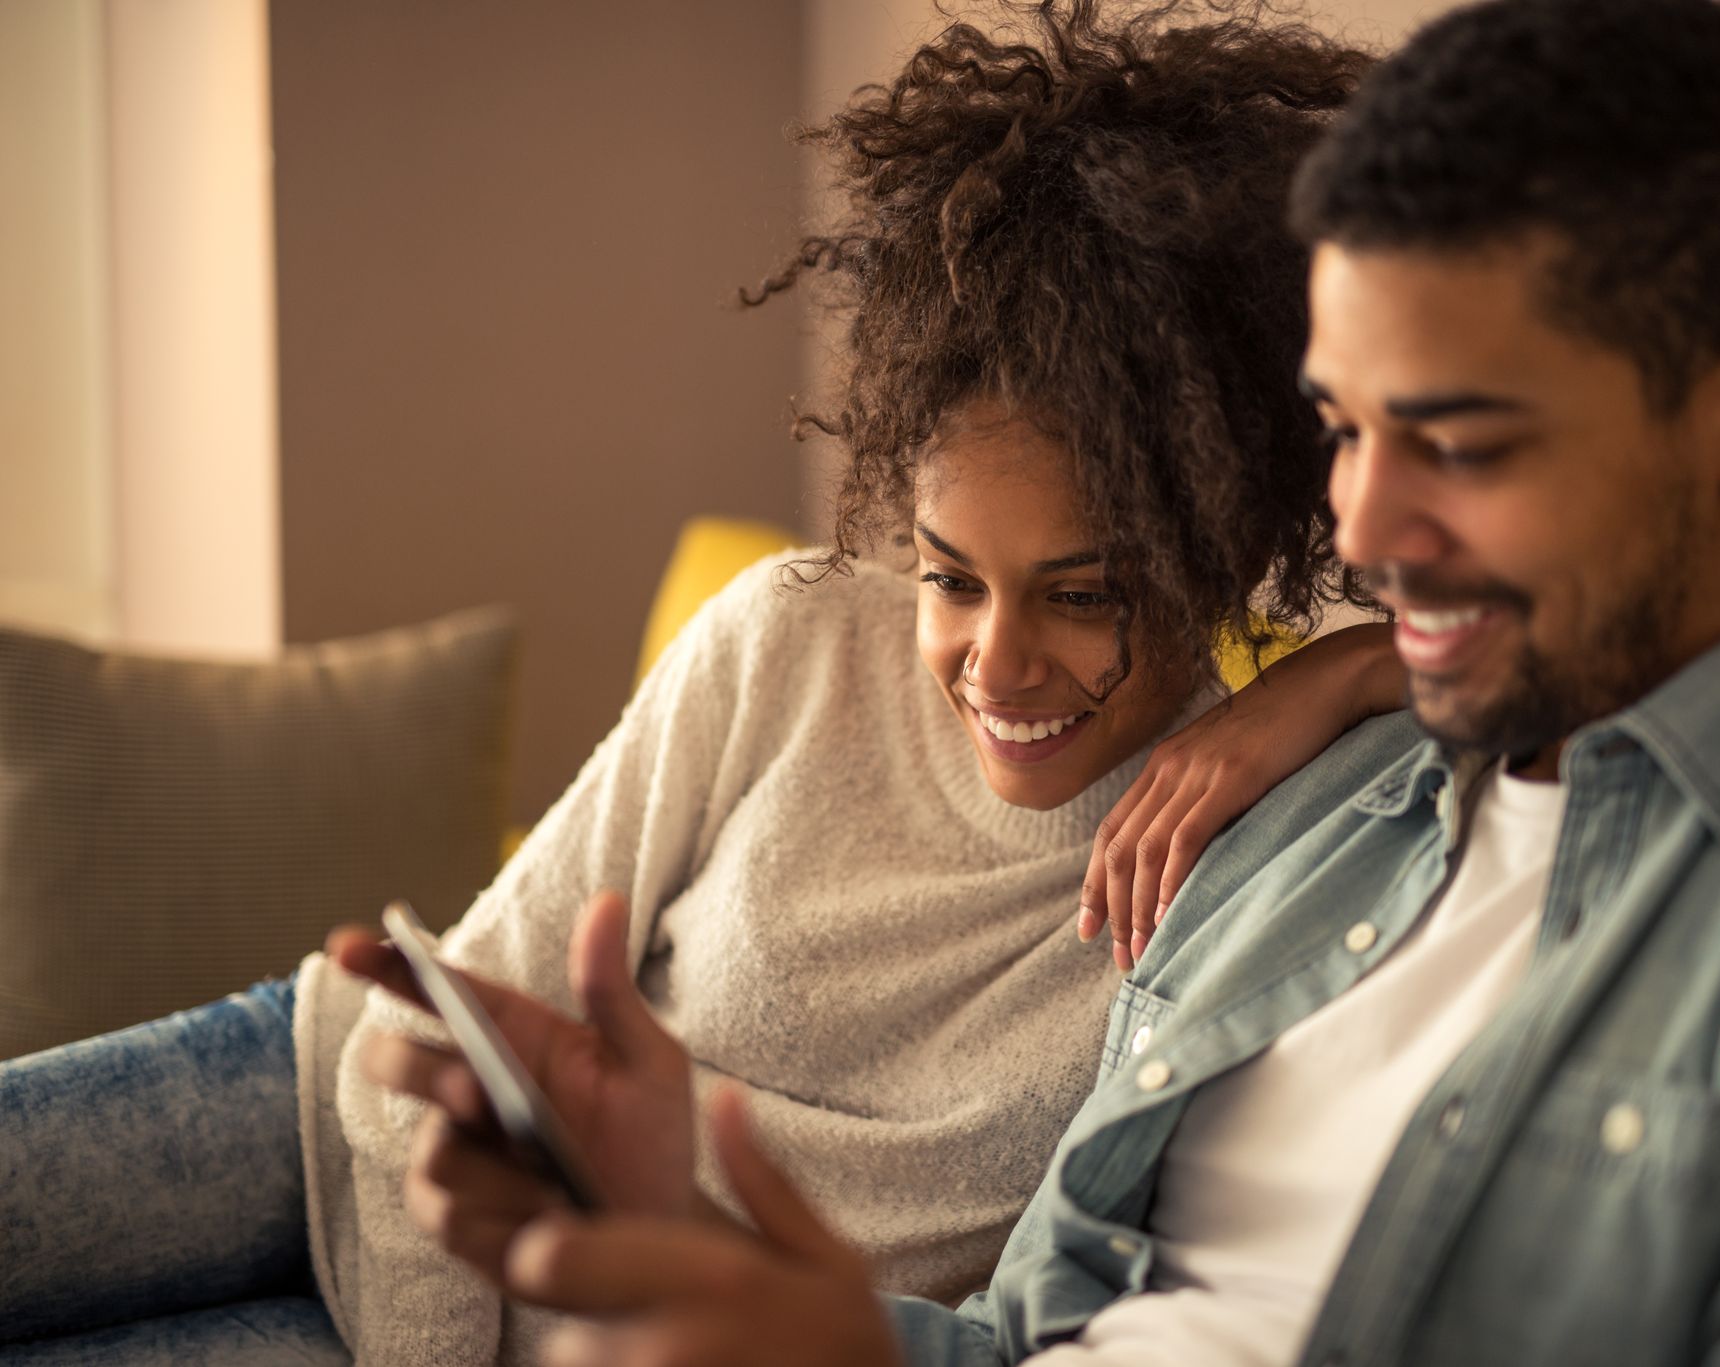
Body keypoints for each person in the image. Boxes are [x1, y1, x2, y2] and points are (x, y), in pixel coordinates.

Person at [369, 1, 1720, 1364]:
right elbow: (1041, 1338)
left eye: (1457, 440)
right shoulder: (1335, 824)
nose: (1364, 529)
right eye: (1349, 431)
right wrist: (726, 1268)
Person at [0, 3, 1401, 1363]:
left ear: (1220, 552)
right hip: (324, 1115)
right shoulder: (786, 639)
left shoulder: (1246, 855)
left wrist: (1346, 668)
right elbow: (447, 1034)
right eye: (949, 577)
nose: (999, 662)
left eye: (1086, 595)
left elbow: (1593, 680)